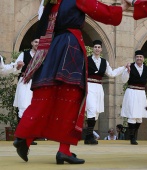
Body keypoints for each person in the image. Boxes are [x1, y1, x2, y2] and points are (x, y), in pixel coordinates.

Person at [13, 0, 130, 165]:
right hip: (71, 47)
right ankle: (63, 151)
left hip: (54, 49)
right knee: (71, 99)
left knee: (46, 96)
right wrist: (124, 7)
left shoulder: (52, 3)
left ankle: (24, 137)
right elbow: (102, 11)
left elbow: (43, 26)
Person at [84, 40, 128, 145]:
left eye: (99, 47)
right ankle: (89, 136)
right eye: (95, 47)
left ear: (101, 49)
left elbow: (111, 74)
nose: (97, 49)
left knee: (96, 113)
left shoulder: (104, 62)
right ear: (93, 48)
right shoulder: (87, 60)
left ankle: (88, 137)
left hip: (99, 87)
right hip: (89, 85)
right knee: (92, 109)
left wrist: (123, 68)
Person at [13, 38, 39, 145]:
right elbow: (15, 68)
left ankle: (28, 136)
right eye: (36, 42)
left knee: (34, 109)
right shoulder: (24, 54)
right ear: (32, 43)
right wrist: (18, 66)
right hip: (25, 83)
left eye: (39, 42)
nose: (37, 44)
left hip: (37, 84)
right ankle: (20, 136)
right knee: (23, 108)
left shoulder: (42, 56)